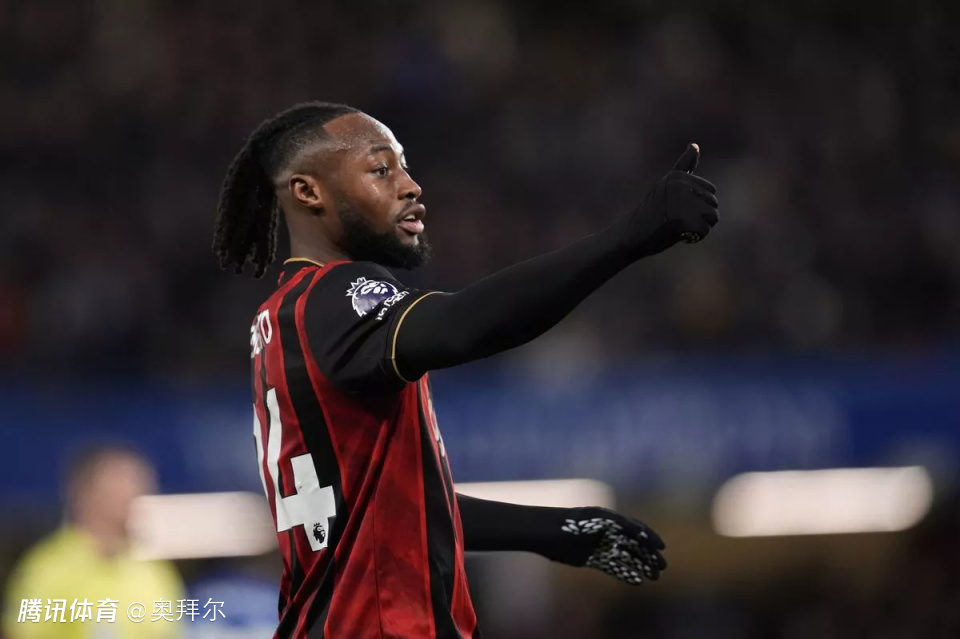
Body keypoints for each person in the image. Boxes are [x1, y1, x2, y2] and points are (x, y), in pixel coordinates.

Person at [213, 101, 719, 638]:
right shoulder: (336, 298)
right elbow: (463, 326)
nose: (410, 186)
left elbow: (394, 506)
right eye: (381, 169)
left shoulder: (282, 319)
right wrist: (629, 237)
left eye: (405, 166)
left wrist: (552, 530)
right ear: (308, 192)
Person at [3, 445, 184, 639]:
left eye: (142, 486)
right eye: (125, 484)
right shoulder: (48, 570)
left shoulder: (154, 572)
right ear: (87, 494)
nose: (138, 495)